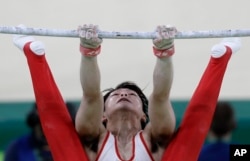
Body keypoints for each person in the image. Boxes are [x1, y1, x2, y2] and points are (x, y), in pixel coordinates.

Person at [11, 24, 241, 161]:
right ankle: (218, 59)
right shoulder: (230, 152)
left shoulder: (206, 151)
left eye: (131, 96)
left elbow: (159, 97)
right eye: (115, 95)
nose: (123, 95)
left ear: (144, 116)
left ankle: (36, 56)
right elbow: (92, 96)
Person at [4, 102, 78, 161]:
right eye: (42, 123)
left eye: (55, 124)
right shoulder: (18, 148)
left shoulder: (78, 148)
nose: (48, 129)